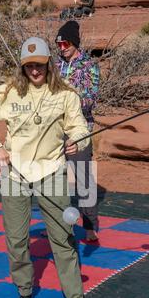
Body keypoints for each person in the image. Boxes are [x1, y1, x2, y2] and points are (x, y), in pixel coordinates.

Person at [0, 36, 94, 298]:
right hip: (15, 175)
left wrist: (76, 140)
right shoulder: (7, 92)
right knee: (16, 238)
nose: (34, 71)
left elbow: (78, 125)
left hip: (52, 173)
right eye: (28, 66)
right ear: (21, 67)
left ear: (49, 63)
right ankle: (24, 291)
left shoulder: (66, 94)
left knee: (63, 238)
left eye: (39, 65)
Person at [56, 20, 100, 241]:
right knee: (54, 178)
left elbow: (91, 99)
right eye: (59, 45)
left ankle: (90, 226)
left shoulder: (88, 66)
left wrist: (69, 98)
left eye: (65, 44)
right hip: (55, 131)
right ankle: (58, 225)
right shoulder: (55, 66)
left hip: (80, 131)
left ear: (74, 42)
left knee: (84, 180)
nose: (62, 48)